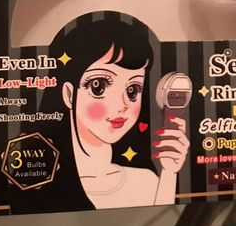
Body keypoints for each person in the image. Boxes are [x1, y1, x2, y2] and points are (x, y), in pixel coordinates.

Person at [12, 15, 189, 212]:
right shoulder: (39, 180)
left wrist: (169, 173)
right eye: (99, 86)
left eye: (132, 90)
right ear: (69, 94)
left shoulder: (145, 181)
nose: (122, 105)